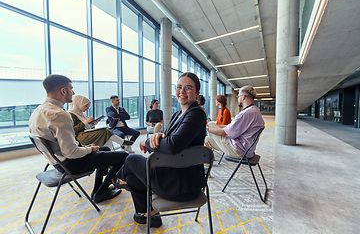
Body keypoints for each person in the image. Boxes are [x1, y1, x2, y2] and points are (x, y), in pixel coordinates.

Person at [113, 72, 207, 228]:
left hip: (180, 184)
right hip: (174, 178)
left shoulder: (196, 114)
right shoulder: (178, 114)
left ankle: (117, 179)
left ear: (197, 93)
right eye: (179, 87)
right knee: (133, 178)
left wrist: (149, 141)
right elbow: (169, 139)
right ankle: (149, 213)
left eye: (188, 88)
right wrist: (159, 136)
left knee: (130, 159)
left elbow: (173, 145)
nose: (182, 91)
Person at [29, 74, 129, 204]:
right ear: (63, 91)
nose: (73, 92)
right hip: (71, 164)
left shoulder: (37, 111)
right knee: (123, 156)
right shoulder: (60, 115)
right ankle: (101, 192)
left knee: (104, 149)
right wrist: (90, 149)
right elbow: (71, 153)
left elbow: (61, 147)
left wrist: (87, 148)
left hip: (56, 162)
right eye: (71, 89)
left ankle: (99, 190)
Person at [205, 86, 265, 159]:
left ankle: (207, 164)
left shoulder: (245, 114)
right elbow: (230, 127)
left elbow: (225, 133)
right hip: (247, 150)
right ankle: (206, 167)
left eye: (238, 96)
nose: (238, 98)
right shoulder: (254, 111)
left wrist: (207, 128)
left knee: (210, 124)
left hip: (239, 150)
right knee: (207, 140)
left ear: (243, 97)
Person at [68, 95, 133, 149]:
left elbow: (86, 127)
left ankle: (108, 154)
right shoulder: (71, 114)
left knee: (108, 137)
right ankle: (122, 142)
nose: (88, 108)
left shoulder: (82, 114)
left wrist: (92, 124)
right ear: (78, 104)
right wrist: (86, 122)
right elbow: (72, 130)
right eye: (86, 106)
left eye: (88, 106)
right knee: (106, 132)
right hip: (80, 136)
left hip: (87, 133)